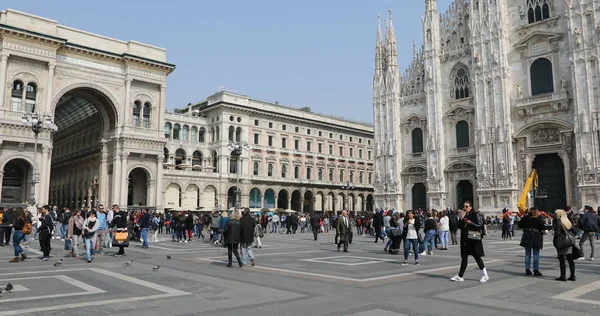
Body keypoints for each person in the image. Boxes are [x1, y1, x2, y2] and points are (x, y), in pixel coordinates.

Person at [451, 201, 489, 283]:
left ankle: (485, 275)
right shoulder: (464, 215)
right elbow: (460, 227)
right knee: (464, 258)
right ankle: (460, 276)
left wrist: (470, 223)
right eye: (463, 206)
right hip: (465, 240)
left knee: (477, 257)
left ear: (471, 207)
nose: (464, 208)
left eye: (466, 206)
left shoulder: (475, 214)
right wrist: (461, 218)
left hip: (473, 239)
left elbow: (480, 225)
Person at [518, 207, 546, 276]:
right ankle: (535, 270)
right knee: (536, 254)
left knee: (527, 254)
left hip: (527, 236)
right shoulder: (539, 219)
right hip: (536, 237)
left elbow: (519, 225)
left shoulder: (525, 218)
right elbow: (543, 227)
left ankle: (527, 269)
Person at [553, 209, 576, 281]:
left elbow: (557, 233)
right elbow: (575, 231)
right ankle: (572, 276)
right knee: (570, 259)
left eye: (555, 214)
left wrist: (557, 240)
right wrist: (570, 236)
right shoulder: (568, 221)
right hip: (569, 242)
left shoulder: (558, 221)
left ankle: (563, 276)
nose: (554, 215)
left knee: (562, 259)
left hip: (562, 242)